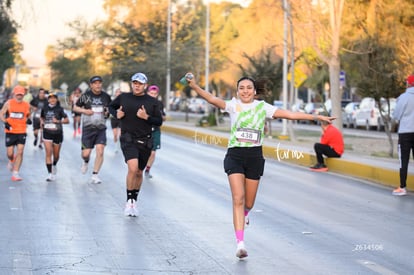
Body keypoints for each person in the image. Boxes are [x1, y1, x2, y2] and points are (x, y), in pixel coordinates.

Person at [185, 73, 335, 259]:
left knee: (248, 203)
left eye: (249, 88)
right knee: (238, 198)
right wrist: (194, 86)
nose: (245, 91)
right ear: (237, 91)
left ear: (255, 91)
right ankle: (240, 243)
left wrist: (316, 117)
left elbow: (289, 114)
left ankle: (246, 213)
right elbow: (211, 98)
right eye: (242, 88)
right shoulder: (233, 106)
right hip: (235, 155)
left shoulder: (263, 107)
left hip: (255, 157)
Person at [108, 72, 163, 217]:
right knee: (132, 168)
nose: (137, 86)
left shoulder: (152, 102)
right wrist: (116, 114)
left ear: (145, 85)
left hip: (145, 140)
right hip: (128, 138)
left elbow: (159, 121)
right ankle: (128, 202)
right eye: (135, 83)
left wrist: (147, 117)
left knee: (139, 172)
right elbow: (110, 107)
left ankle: (134, 201)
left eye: (140, 84)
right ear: (132, 84)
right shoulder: (124, 97)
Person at [72, 76, 111, 184]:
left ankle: (95, 174)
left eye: (99, 83)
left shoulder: (106, 96)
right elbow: (75, 108)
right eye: (95, 83)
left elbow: (109, 110)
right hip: (88, 128)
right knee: (85, 153)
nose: (98, 85)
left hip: (101, 128)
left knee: (100, 150)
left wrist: (107, 112)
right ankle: (86, 161)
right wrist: (85, 111)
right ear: (91, 85)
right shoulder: (86, 96)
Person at [0, 85, 32, 181]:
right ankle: (11, 159)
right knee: (10, 153)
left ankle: (16, 173)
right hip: (10, 130)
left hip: (21, 131)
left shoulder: (26, 105)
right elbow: (1, 113)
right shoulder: (8, 103)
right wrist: (5, 122)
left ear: (23, 95)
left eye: (21, 94)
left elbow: (28, 115)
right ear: (14, 94)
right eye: (18, 94)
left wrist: (28, 120)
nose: (19, 96)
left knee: (20, 152)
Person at [392, 74, 414, 196]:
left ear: (408, 84)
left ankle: (403, 187)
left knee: (403, 160)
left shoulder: (404, 97)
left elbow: (396, 115)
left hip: (405, 133)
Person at [40, 93, 69, 181]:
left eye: (54, 98)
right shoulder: (44, 108)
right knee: (48, 153)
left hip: (58, 134)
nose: (52, 100)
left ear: (56, 100)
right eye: (50, 98)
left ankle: (54, 164)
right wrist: (42, 122)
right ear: (48, 100)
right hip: (47, 133)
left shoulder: (60, 109)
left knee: (56, 155)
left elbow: (67, 120)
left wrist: (58, 121)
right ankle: (50, 174)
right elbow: (42, 117)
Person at [145, 85, 166, 178]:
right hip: (144, 130)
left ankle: (147, 170)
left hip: (156, 130)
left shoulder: (160, 104)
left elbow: (163, 116)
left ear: (157, 94)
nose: (153, 95)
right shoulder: (143, 102)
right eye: (151, 93)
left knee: (153, 152)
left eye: (155, 94)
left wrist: (162, 117)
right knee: (144, 151)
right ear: (148, 93)